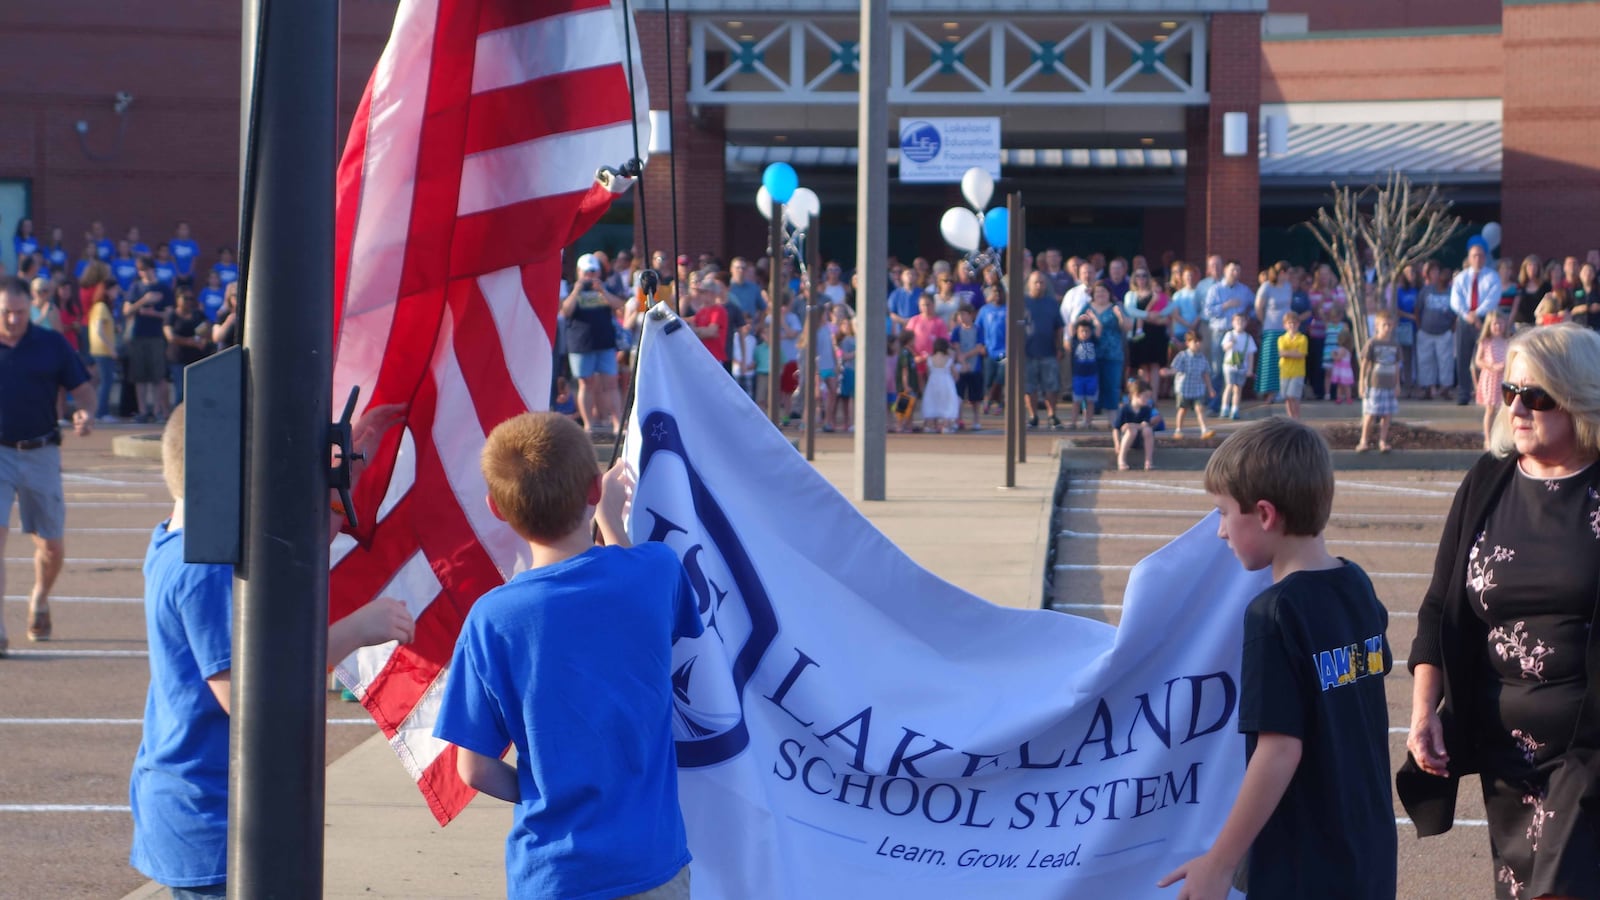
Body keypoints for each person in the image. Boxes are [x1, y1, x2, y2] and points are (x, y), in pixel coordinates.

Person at [130, 403, 415, 895]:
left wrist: (348, 469)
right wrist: (353, 631)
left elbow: (293, 562)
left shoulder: (182, 539)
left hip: (209, 808)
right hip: (214, 816)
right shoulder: (205, 568)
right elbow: (246, 700)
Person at [431, 412, 700, 900]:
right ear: (594, 490)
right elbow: (654, 600)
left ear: (496, 507)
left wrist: (545, 792)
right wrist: (614, 524)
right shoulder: (656, 571)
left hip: (554, 874)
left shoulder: (492, 618)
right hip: (650, 862)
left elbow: (472, 769)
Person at [1400, 324, 1600, 900]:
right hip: (1507, 756)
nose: (1517, 407)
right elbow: (1440, 608)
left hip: (1588, 747)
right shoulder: (1487, 481)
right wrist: (1423, 713)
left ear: (1579, 399)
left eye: (1537, 396)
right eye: (1510, 391)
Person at [1161, 416, 1395, 900]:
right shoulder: (1356, 585)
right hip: (1368, 847)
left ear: (1265, 514)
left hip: (1304, 862)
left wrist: (1219, 862)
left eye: (1224, 513)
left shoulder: (1273, 615)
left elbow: (1280, 750)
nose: (1221, 532)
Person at [0, 277, 95, 655]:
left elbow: (83, 389)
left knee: (51, 546)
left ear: (31, 309)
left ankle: (39, 598)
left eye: (19, 312)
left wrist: (85, 412)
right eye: (5, 312)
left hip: (40, 451)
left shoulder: (50, 344)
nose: (11, 319)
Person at [560, 254, 625, 436]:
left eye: (593, 271)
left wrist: (602, 291)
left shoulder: (605, 288)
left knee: (611, 383)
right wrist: (576, 291)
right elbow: (565, 311)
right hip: (580, 344)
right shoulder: (571, 289)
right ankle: (588, 425)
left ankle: (617, 424)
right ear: (579, 272)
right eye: (586, 272)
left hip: (605, 343)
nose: (590, 276)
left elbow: (619, 305)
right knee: (586, 384)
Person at [124, 257, 175, 423]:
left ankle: (158, 410)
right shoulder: (136, 288)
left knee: (158, 375)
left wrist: (155, 314)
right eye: (140, 270)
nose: (144, 272)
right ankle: (143, 410)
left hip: (156, 336)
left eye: (146, 269)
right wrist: (144, 301)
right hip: (138, 335)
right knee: (140, 376)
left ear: (153, 269)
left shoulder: (163, 288)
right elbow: (127, 311)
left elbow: (169, 313)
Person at [1451, 239, 1501, 406]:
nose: (1477, 258)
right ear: (1469, 258)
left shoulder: (1492, 276)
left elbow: (1492, 299)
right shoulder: (1461, 278)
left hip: (1485, 321)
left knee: (1486, 357)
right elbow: (1455, 300)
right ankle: (1464, 393)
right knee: (1462, 358)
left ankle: (1485, 394)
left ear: (1485, 257)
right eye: (1474, 256)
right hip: (1464, 322)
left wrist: (1477, 314)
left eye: (1480, 255)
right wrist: (1468, 315)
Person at [1204, 261, 1254, 412]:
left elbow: (1253, 307)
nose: (1235, 273)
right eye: (1232, 270)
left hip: (1238, 335)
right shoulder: (1216, 289)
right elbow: (1207, 312)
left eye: (1238, 270)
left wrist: (1247, 318)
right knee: (1217, 369)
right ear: (1225, 270)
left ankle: (1231, 406)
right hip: (1220, 332)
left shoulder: (1245, 290)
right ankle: (1213, 405)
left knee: (1235, 368)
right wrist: (1225, 306)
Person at [1022, 272, 1064, 430]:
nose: (1039, 285)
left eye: (1041, 282)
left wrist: (1059, 347)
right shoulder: (1022, 302)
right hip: (1028, 352)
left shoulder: (1052, 303)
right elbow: (1014, 325)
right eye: (1036, 282)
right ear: (1029, 284)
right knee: (1029, 387)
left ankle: (1052, 415)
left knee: (1051, 386)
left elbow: (1059, 328)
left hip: (1049, 351)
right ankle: (1033, 416)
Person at [1357, 311, 1402, 453]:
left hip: (1389, 384)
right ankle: (1364, 440)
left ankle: (1382, 441)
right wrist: (1362, 383)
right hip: (1374, 384)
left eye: (1389, 325)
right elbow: (1364, 364)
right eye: (1384, 325)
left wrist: (1397, 384)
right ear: (1377, 326)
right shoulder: (1372, 343)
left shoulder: (1395, 345)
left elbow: (1396, 366)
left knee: (1387, 414)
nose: (1387, 328)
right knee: (1370, 413)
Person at [1414, 261, 1457, 399]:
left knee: (1446, 362)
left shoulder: (1451, 292)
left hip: (1444, 332)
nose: (1439, 276)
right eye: (1434, 272)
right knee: (1425, 361)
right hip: (1425, 332)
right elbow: (1417, 309)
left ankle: (1445, 388)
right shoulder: (1426, 290)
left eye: (1441, 273)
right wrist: (1420, 325)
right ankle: (1427, 389)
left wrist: (1452, 328)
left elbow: (1456, 312)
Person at [1255, 262, 1295, 403]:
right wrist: (1265, 321)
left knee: (1283, 362)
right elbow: (1258, 307)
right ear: (1281, 272)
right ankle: (1269, 393)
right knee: (1270, 362)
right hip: (1270, 329)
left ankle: (1281, 392)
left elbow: (1288, 307)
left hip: (1285, 330)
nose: (1290, 276)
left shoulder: (1288, 287)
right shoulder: (1266, 287)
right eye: (1288, 272)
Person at [1163, 330, 1215, 439]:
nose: (1197, 344)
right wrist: (1168, 372)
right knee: (1182, 409)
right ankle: (1178, 430)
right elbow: (1175, 369)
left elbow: (1205, 374)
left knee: (1200, 408)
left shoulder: (1202, 358)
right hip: (1184, 388)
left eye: (1199, 341)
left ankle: (1204, 429)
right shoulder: (1182, 356)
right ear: (1188, 343)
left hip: (1198, 388)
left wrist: (1210, 389)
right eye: (1194, 341)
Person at [164, 288, 212, 406]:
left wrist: (203, 338)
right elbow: (170, 336)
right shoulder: (172, 315)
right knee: (181, 391)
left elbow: (208, 328)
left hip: (196, 359)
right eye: (185, 298)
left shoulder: (198, 314)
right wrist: (190, 342)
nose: (189, 301)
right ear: (177, 299)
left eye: (191, 299)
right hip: (178, 359)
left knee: (195, 390)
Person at [1474, 311, 1511, 449]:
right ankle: (1488, 439)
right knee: (1490, 409)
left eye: (1501, 323)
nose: (1498, 326)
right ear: (1489, 325)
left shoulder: (1507, 341)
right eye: (1495, 323)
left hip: (1504, 378)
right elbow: (1478, 360)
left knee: (1505, 409)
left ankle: (1503, 438)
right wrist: (1492, 366)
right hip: (1490, 378)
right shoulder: (1485, 342)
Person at [948, 304, 984, 431]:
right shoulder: (957, 330)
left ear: (971, 315)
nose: (962, 317)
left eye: (965, 314)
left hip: (975, 367)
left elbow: (979, 347)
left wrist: (966, 356)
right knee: (959, 395)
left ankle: (976, 420)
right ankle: (959, 419)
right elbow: (956, 346)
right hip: (961, 368)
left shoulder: (978, 329)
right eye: (960, 314)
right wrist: (962, 361)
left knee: (976, 397)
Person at [975, 284, 1007, 413]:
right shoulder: (985, 310)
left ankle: (997, 402)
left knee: (1001, 378)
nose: (997, 295)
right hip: (989, 350)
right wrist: (981, 345)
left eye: (999, 292)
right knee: (988, 378)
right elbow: (978, 329)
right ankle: (989, 399)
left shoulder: (1009, 309)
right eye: (995, 292)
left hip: (1005, 351)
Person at [1112, 381, 1157, 471]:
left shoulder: (1146, 409)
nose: (1148, 399)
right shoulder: (1124, 409)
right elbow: (1116, 428)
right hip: (1126, 439)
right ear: (1136, 395)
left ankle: (1148, 461)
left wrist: (1131, 425)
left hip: (1140, 440)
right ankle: (1121, 459)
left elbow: (1145, 425)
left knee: (1147, 430)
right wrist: (1117, 443)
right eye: (1145, 396)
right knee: (1131, 431)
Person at [1219, 312, 1256, 420]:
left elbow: (1250, 355)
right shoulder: (1229, 335)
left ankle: (1235, 409)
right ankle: (1224, 408)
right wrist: (1231, 343)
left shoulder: (1248, 338)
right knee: (1229, 385)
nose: (1240, 323)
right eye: (1237, 321)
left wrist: (1250, 369)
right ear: (1233, 323)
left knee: (1238, 388)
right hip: (1229, 366)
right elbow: (1224, 347)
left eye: (1242, 321)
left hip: (1241, 366)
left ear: (1245, 323)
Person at [920, 337, 960, 434]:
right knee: (947, 403)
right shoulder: (948, 359)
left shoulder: (930, 359)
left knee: (932, 402)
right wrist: (953, 381)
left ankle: (930, 425)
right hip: (946, 382)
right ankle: (946, 425)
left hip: (933, 382)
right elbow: (955, 374)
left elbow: (928, 372)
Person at [1067, 318, 1100, 431]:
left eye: (1087, 331)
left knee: (1090, 401)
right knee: (1077, 401)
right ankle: (1073, 422)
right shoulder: (1074, 341)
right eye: (1082, 331)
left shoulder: (1094, 341)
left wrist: (1094, 320)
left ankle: (1088, 422)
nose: (1085, 334)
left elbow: (1099, 328)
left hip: (1091, 376)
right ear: (1077, 332)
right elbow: (1070, 326)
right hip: (1078, 376)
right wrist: (1078, 319)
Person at [1276, 311, 1309, 420]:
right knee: (1287, 397)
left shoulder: (1302, 338)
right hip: (1285, 371)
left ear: (1298, 324)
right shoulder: (1281, 339)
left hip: (1297, 371)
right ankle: (1290, 418)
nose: (1292, 326)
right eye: (1289, 323)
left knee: (1293, 396)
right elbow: (1281, 353)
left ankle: (1297, 418)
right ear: (1285, 325)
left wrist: (1288, 353)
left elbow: (1301, 354)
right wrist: (1293, 352)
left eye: (1294, 323)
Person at [1327, 328, 1356, 405]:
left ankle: (1346, 398)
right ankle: (1342, 397)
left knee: (1343, 386)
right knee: (1343, 385)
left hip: (1342, 371)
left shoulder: (1342, 350)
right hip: (1343, 370)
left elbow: (1338, 358)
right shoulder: (1348, 350)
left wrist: (1332, 354)